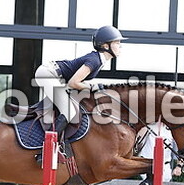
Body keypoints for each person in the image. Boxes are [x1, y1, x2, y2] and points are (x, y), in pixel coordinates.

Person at [34, 25, 126, 161]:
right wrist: (92, 87)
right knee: (69, 111)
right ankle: (46, 150)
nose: (120, 46)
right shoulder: (94, 60)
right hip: (48, 74)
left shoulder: (99, 60)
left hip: (56, 77)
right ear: (106, 46)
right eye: (117, 43)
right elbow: (73, 83)